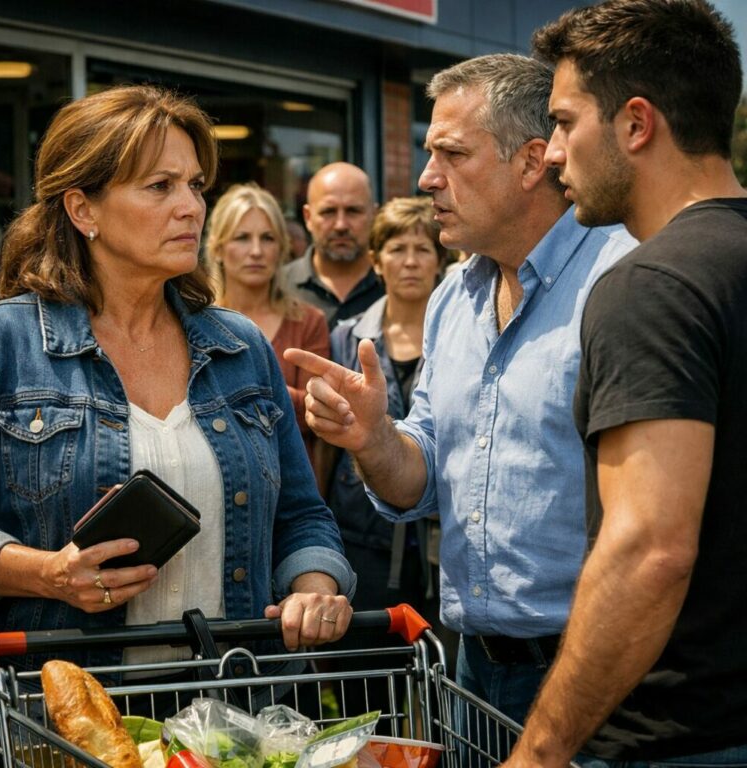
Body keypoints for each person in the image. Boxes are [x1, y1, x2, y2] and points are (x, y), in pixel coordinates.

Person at [285, 53, 635, 728]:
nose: (427, 178)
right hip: (471, 667)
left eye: (452, 153)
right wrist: (373, 438)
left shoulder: (622, 280)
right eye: (428, 153)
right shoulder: (455, 296)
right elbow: (418, 481)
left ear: (531, 162)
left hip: (599, 674)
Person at [0, 84, 355, 677]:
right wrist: (50, 574)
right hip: (72, 707)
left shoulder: (240, 346)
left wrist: (314, 587)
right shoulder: (1, 344)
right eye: (160, 186)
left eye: (195, 185)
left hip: (235, 703)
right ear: (83, 210)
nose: (191, 207)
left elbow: (302, 516)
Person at [499, 2, 747, 766]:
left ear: (636, 124)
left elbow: (649, 549)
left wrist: (537, 753)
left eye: (564, 122)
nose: (551, 154)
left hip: (682, 738)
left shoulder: (652, 287)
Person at [324, 196, 451, 708]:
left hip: (441, 542)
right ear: (377, 261)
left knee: (445, 693)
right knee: (368, 690)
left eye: (423, 249)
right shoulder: (346, 336)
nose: (411, 261)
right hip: (364, 535)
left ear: (440, 260)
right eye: (398, 249)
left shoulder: (459, 330)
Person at [205, 183, 330, 481]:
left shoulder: (307, 321)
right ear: (218, 248)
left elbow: (318, 416)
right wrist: (283, 395)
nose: (256, 251)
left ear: (282, 249)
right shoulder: (196, 320)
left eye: (267, 238)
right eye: (242, 238)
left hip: (292, 483)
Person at [281, 162, 383, 331]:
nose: (340, 225)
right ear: (308, 217)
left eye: (353, 211)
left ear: (374, 215)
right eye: (328, 212)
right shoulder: (279, 287)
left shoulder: (396, 286)